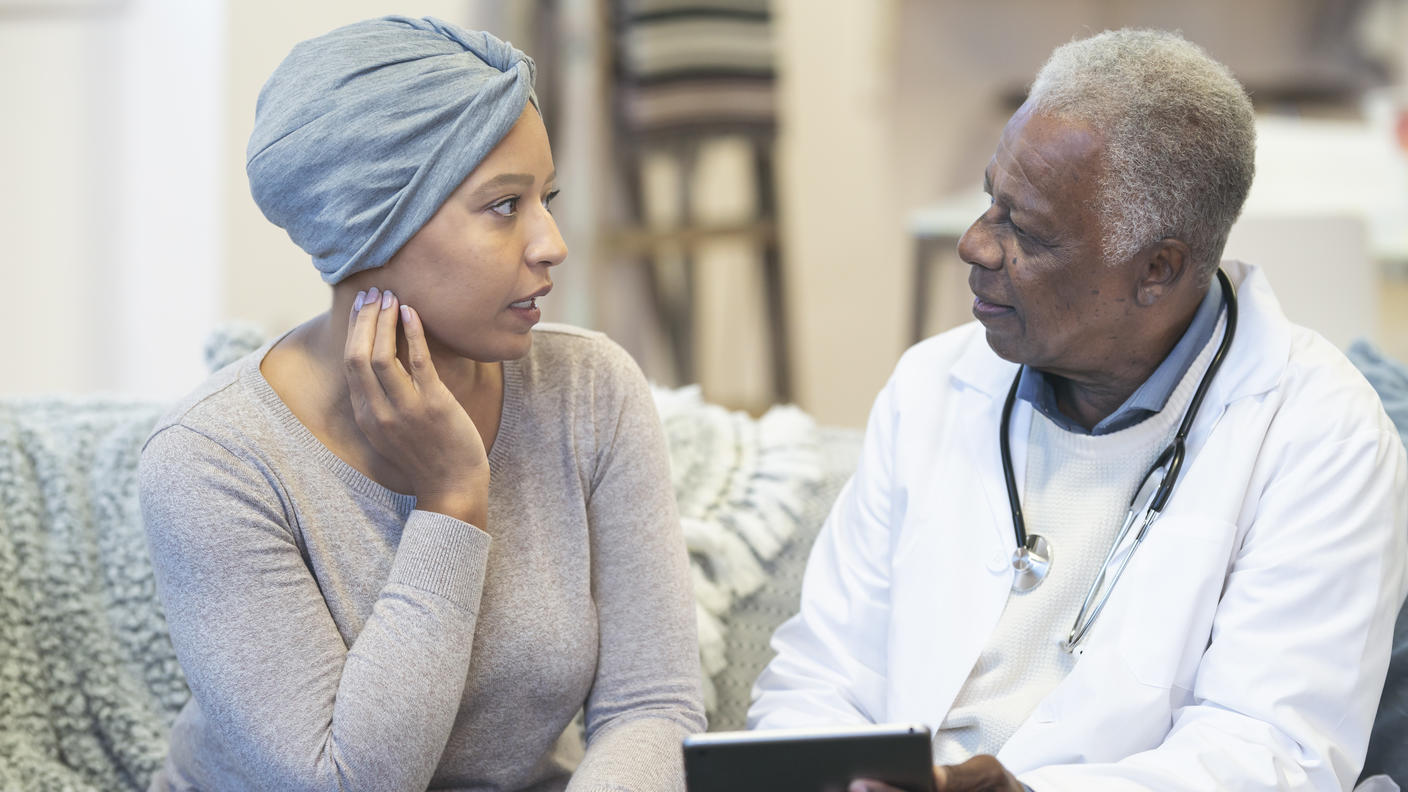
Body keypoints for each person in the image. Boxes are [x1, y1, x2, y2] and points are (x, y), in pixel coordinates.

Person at [749, 28, 1407, 791]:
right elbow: (820, 676)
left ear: (1157, 270)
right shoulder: (931, 385)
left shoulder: (1323, 438)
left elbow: (1272, 754)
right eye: (990, 201)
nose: (975, 245)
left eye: (1025, 230)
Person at [139, 17, 704, 792]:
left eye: (547, 197)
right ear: (370, 222)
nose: (552, 243)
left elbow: (654, 706)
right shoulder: (211, 459)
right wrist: (452, 500)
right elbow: (343, 783)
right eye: (504, 205)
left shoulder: (590, 390)